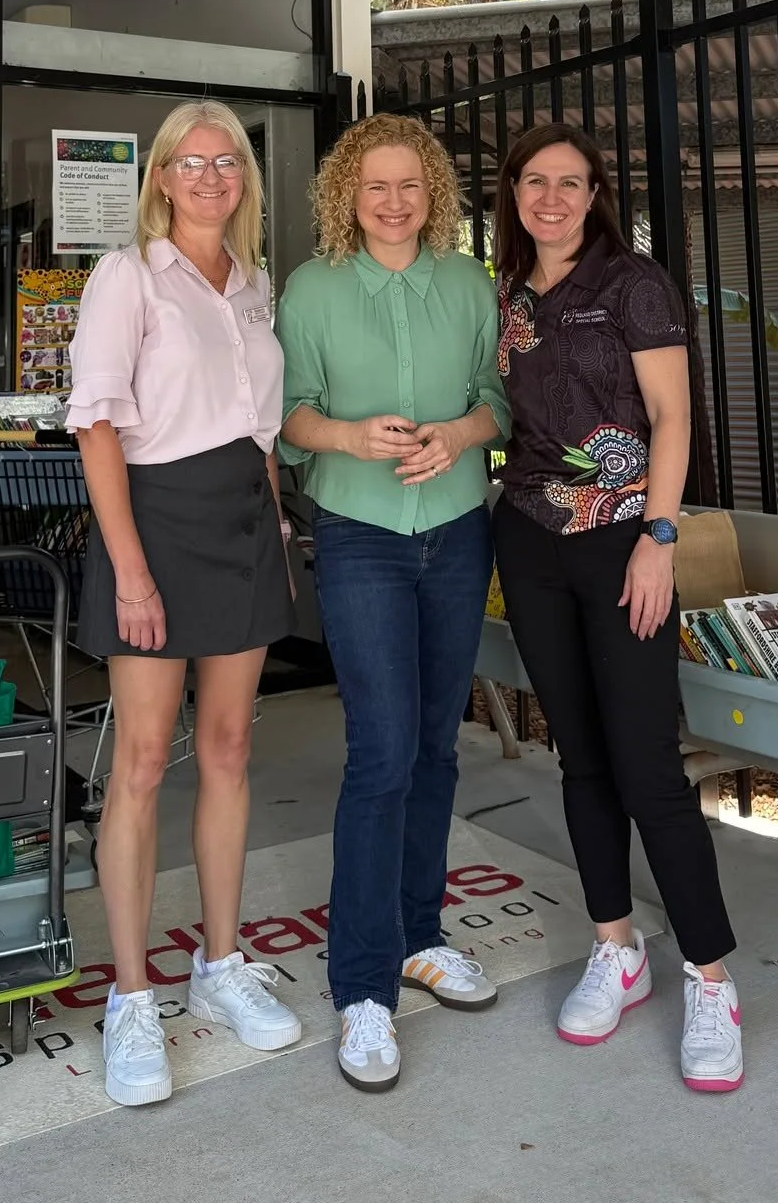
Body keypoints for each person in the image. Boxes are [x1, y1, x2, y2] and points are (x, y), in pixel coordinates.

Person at [491, 120, 743, 1092]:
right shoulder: (506, 293)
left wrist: (661, 535)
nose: (550, 197)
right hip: (531, 539)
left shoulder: (633, 283)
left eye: (571, 181)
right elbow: (503, 412)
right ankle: (616, 946)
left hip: (627, 541)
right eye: (533, 180)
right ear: (512, 191)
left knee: (648, 764)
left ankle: (711, 977)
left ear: (596, 191)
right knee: (580, 754)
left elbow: (673, 416)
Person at [68, 100, 300, 1108]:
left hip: (245, 522)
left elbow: (259, 432)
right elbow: (97, 426)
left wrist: (278, 527)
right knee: (138, 760)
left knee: (231, 747)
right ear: (160, 176)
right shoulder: (127, 276)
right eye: (190, 161)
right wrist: (129, 567)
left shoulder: (254, 284)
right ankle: (130, 995)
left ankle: (219, 961)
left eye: (228, 161)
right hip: (154, 523)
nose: (210, 175)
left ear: (243, 178)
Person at [277, 113, 509, 1092]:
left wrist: (458, 432)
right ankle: (362, 987)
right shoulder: (313, 287)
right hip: (361, 534)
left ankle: (421, 935)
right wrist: (346, 432)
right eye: (375, 184)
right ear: (345, 191)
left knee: (437, 742)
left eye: (411, 183)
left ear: (434, 191)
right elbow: (287, 415)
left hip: (457, 529)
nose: (394, 199)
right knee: (381, 753)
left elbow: (500, 399)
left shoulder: (468, 282)